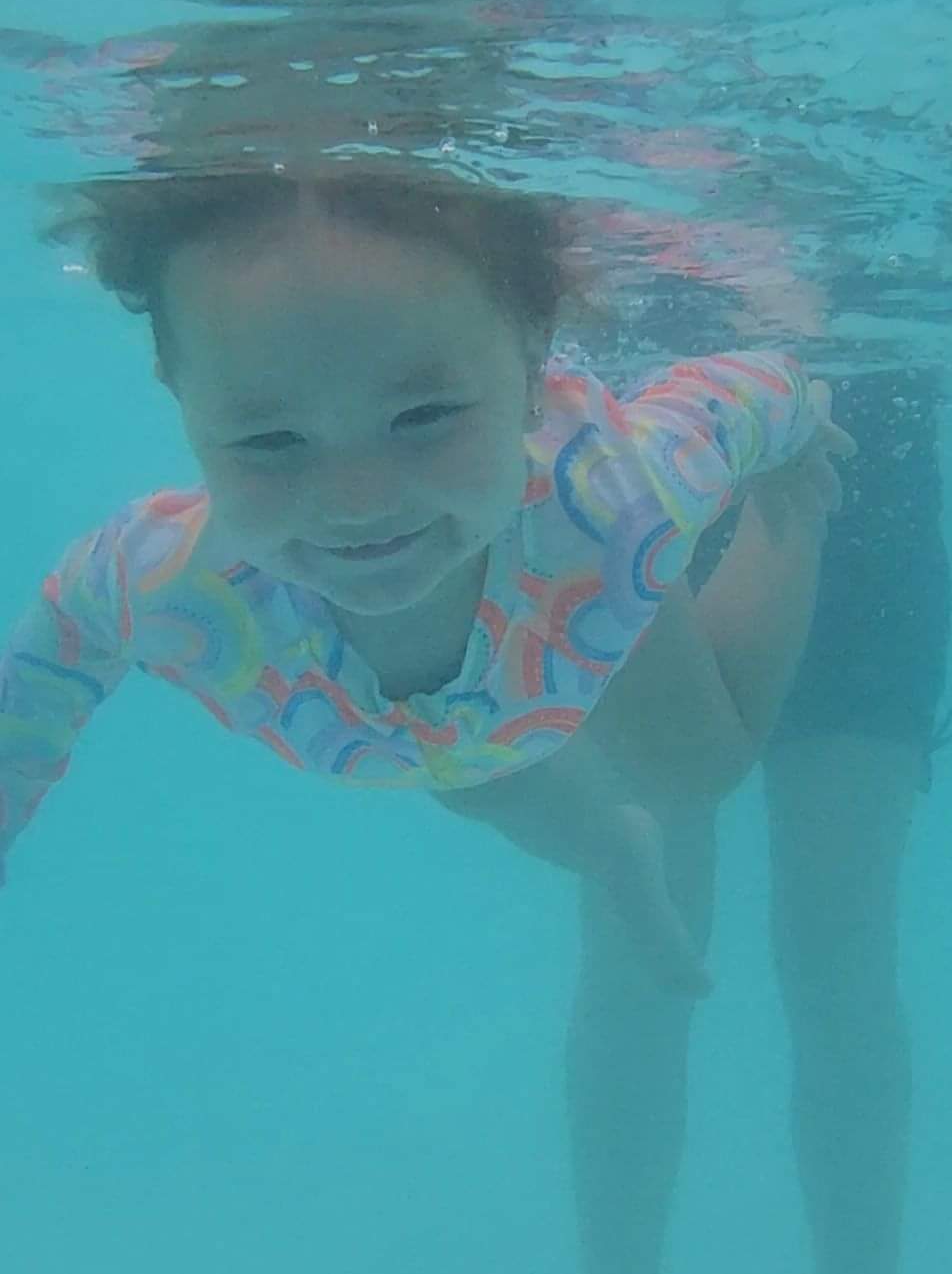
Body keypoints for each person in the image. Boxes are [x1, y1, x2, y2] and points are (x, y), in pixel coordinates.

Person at [1, 164, 852, 1012]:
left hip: (572, 590)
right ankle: (612, 854)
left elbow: (743, 393)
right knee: (475, 778)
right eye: (268, 439)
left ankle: (794, 518)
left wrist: (795, 436)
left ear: (529, 360)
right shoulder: (172, 581)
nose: (356, 506)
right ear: (183, 397)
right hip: (451, 737)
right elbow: (47, 663)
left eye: (425, 416)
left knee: (700, 771)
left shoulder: (616, 497)